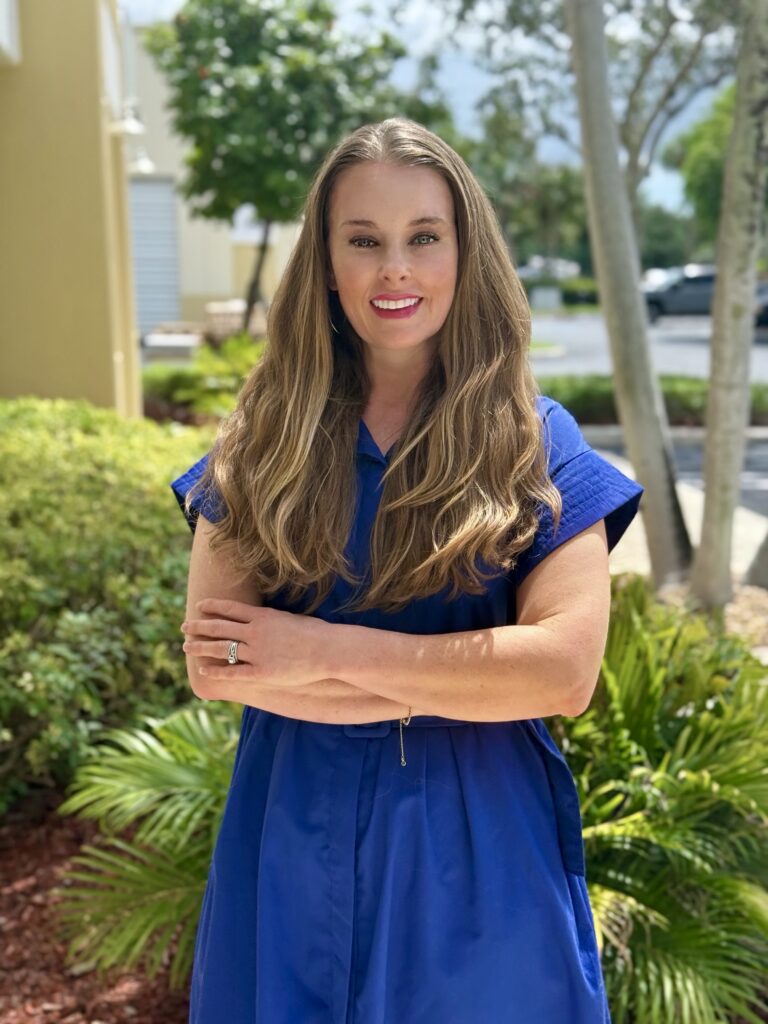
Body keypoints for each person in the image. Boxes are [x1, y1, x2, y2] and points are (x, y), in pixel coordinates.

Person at [171, 117, 644, 1024]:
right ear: (327, 262)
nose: (396, 269)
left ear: (465, 255)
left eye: (423, 237)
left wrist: (310, 648)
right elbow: (218, 663)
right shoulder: (259, 445)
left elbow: (562, 672)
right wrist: (460, 680)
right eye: (364, 241)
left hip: (479, 858)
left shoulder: (535, 442)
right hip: (290, 844)